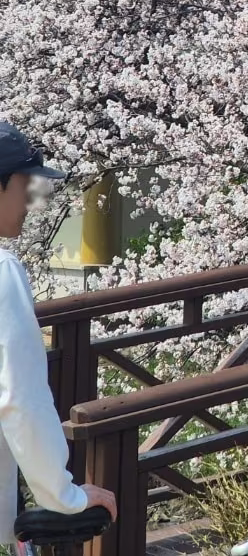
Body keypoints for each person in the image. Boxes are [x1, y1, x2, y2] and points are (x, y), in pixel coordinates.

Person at [0, 122, 119, 546]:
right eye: (25, 186)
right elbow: (20, 398)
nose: (30, 202)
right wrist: (64, 497)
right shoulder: (2, 272)